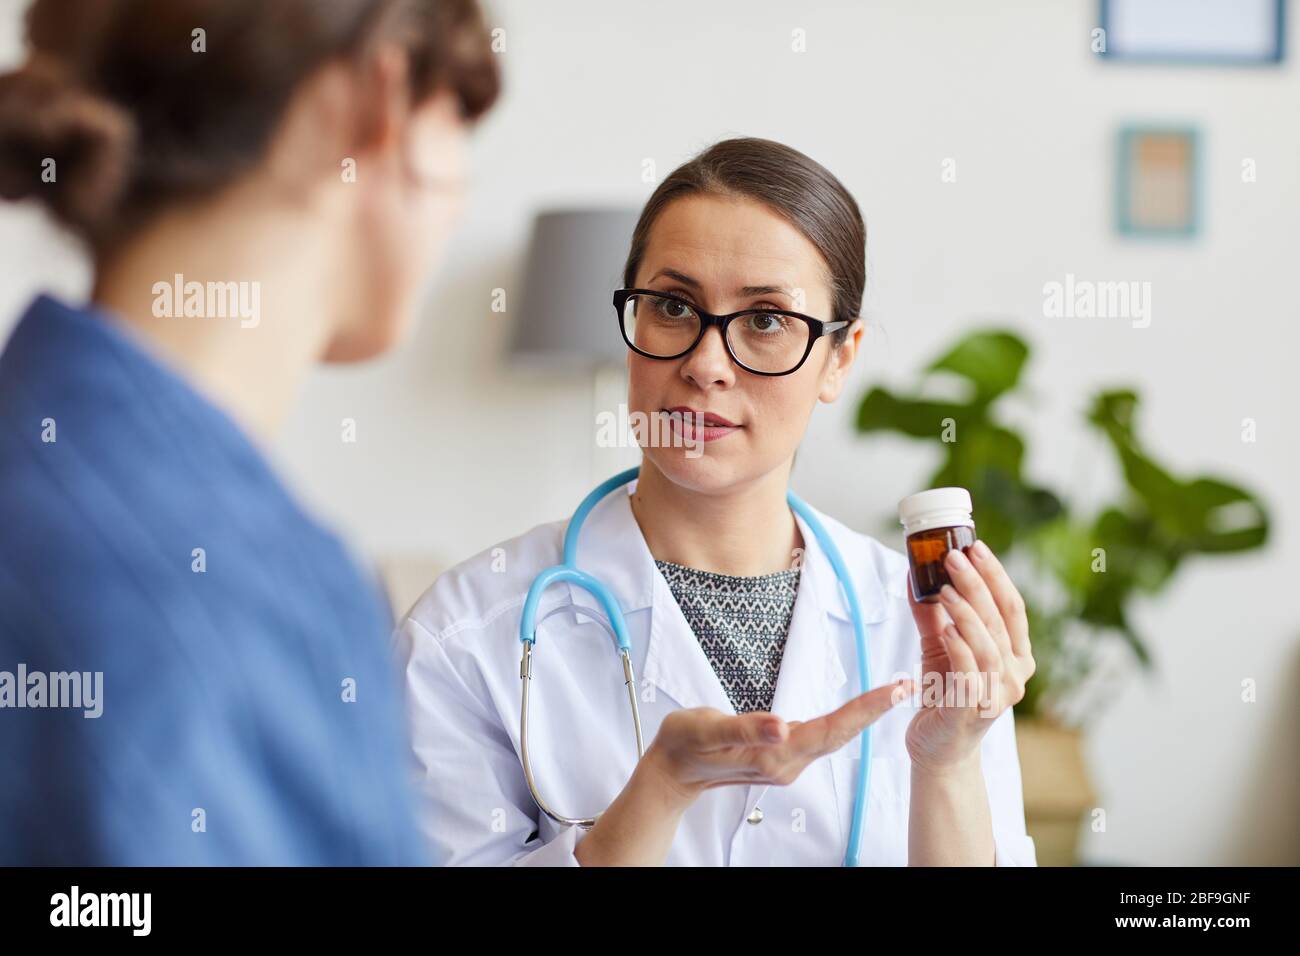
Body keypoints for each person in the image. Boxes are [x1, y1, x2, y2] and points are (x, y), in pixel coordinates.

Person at [396, 138, 1039, 866]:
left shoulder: (918, 630)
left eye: (765, 320)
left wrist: (948, 761)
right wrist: (660, 790)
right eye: (673, 306)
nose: (705, 365)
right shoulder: (466, 638)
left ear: (840, 358)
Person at [0, 0, 499, 864]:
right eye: (462, 115)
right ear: (378, 99)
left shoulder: (46, 454)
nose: (460, 201)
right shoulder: (235, 585)